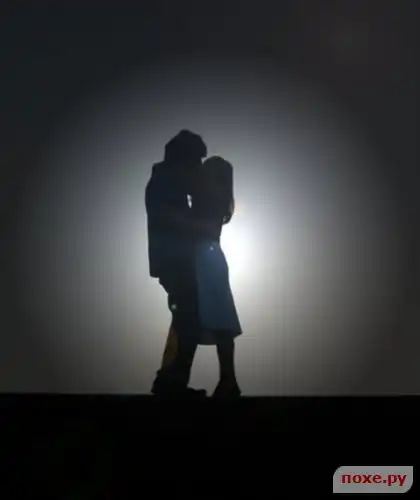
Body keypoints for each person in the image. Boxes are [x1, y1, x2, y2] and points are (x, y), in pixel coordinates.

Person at [159, 156, 243, 398]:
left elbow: (205, 227)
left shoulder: (212, 194)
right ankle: (227, 380)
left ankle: (225, 380)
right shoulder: (216, 195)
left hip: (204, 260)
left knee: (208, 318)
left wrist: (178, 221)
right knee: (214, 319)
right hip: (209, 258)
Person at [145, 130, 209, 398]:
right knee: (188, 321)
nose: (198, 167)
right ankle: (171, 384)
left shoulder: (166, 179)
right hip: (176, 262)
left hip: (174, 262)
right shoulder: (167, 180)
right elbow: (172, 218)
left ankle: (171, 382)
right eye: (195, 160)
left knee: (184, 319)